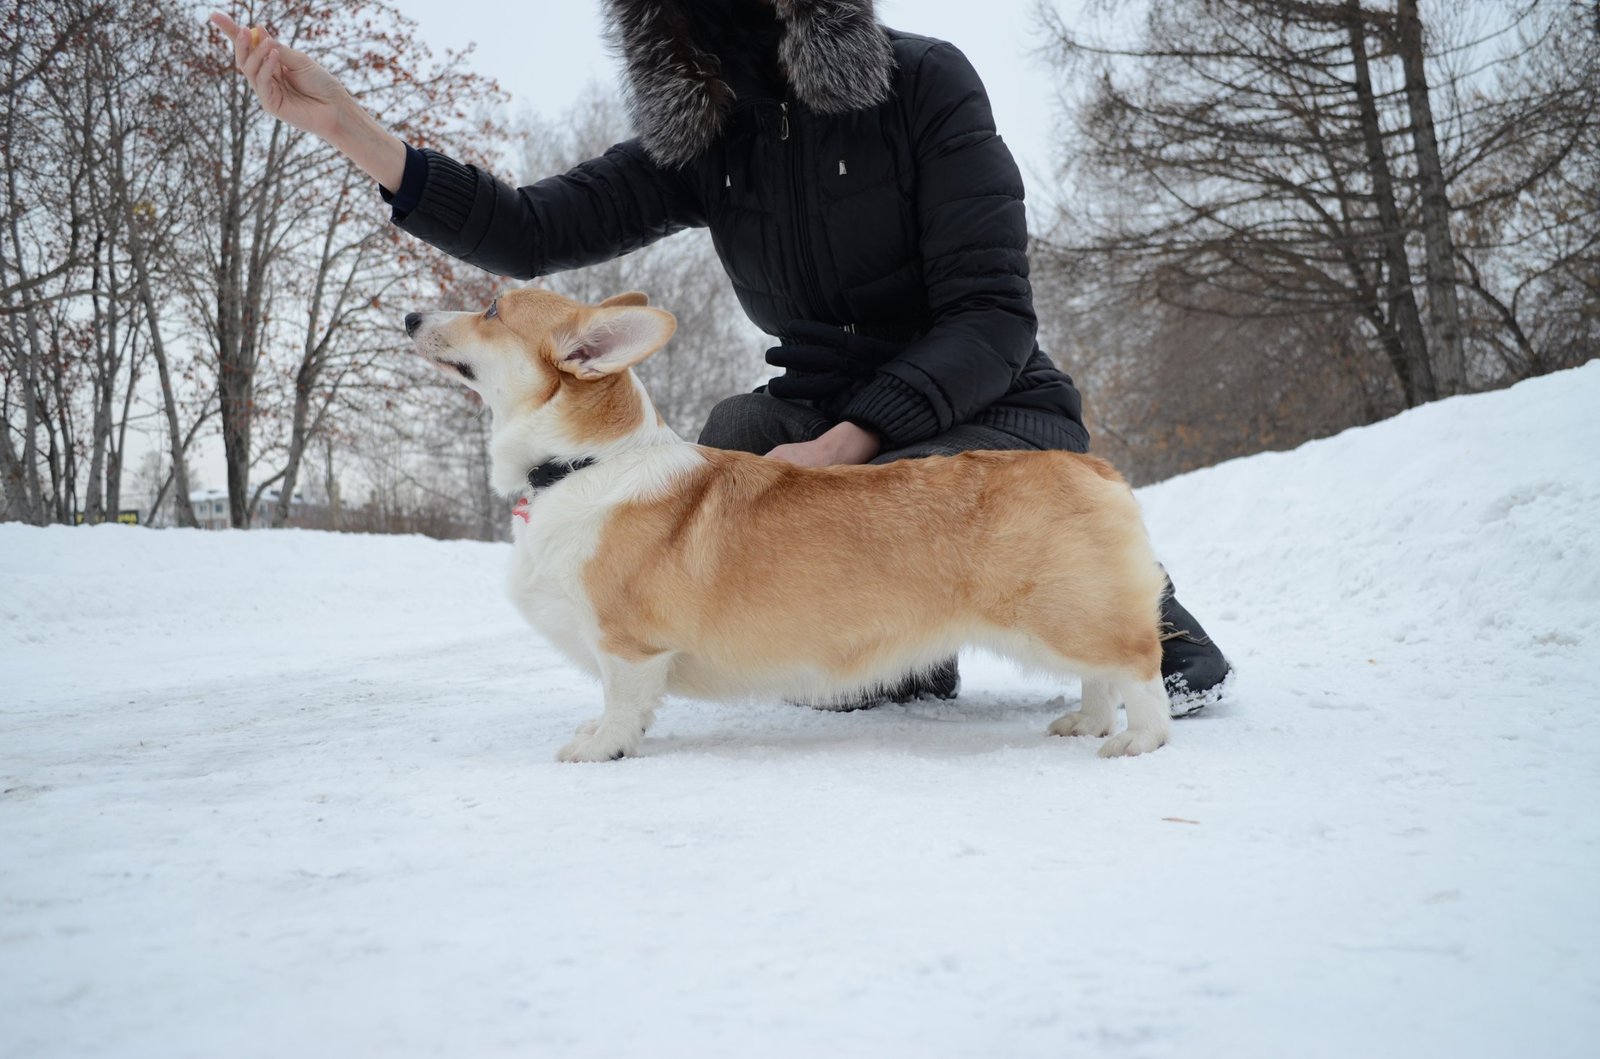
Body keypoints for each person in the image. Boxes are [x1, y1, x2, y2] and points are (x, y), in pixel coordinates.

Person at [209, 0, 1233, 715]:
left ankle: (1134, 604)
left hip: (982, 403)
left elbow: (994, 317)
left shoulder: (927, 84)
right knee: (736, 439)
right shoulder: (711, 139)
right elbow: (526, 230)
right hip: (817, 421)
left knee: (929, 486)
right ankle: (889, 648)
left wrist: (845, 445)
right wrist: (346, 124)